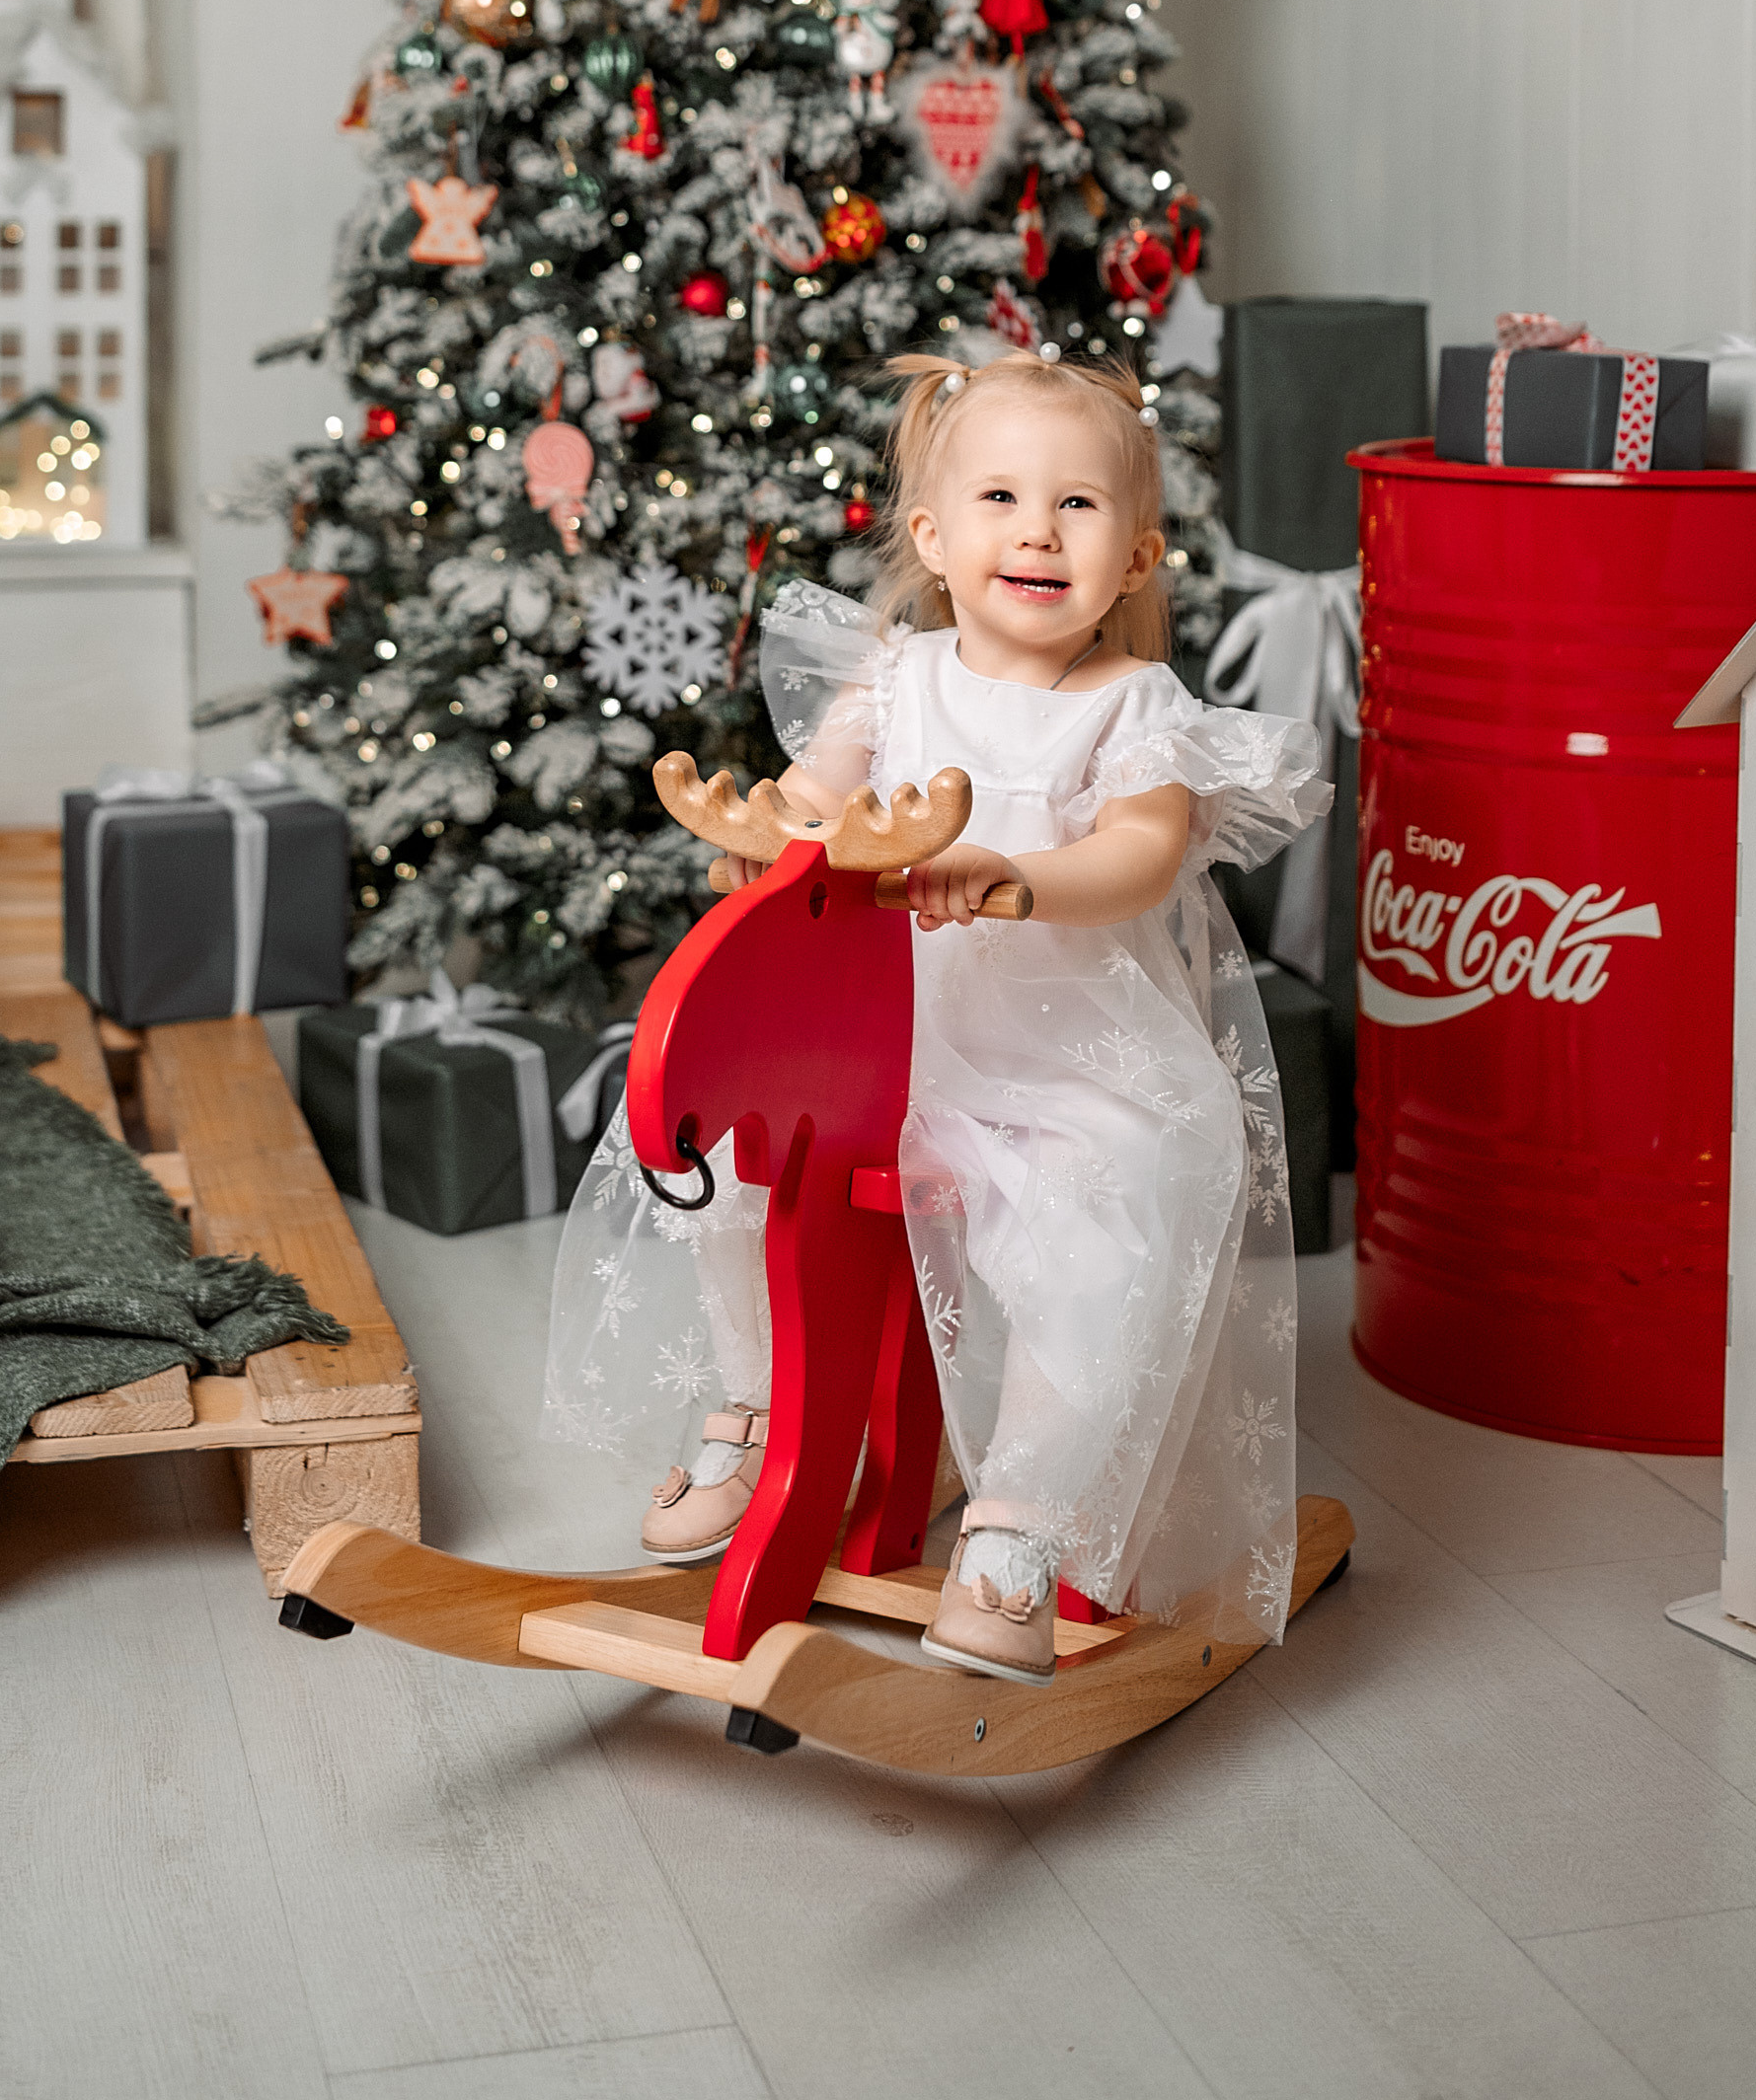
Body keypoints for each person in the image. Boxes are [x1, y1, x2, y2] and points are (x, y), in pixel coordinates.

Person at [542, 346, 1328, 1684]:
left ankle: (1020, 1525)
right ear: (934, 538)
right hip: (884, 1046)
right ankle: (754, 1408)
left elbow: (1138, 856)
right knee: (738, 1156)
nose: (1035, 529)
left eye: (1077, 508)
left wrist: (1017, 876)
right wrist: (765, 839)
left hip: (1067, 1059)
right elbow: (810, 802)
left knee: (1121, 1194)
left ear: (1134, 560)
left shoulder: (1129, 709)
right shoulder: (897, 681)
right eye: (1002, 501)